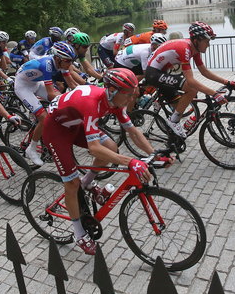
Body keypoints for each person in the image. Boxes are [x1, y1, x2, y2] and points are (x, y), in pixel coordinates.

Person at [42, 68, 162, 255]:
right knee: (71, 184)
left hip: (75, 124)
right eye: (128, 94)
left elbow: (133, 132)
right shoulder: (93, 103)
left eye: (133, 93)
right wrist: (131, 161)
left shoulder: (116, 101)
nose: (132, 99)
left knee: (112, 147)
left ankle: (87, 183)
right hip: (56, 130)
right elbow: (94, 149)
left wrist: (155, 154)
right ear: (112, 90)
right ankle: (80, 233)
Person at [145, 21, 235, 138]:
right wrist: (214, 94)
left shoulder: (194, 49)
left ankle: (172, 136)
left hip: (162, 72)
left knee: (179, 105)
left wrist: (226, 81)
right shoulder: (185, 49)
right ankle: (173, 122)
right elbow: (191, 81)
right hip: (154, 73)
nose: (208, 45)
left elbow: (204, 72)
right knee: (192, 89)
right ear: (196, 40)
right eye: (207, 41)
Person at [14, 42, 80, 165]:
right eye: (68, 61)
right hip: (23, 86)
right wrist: (70, 98)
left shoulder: (62, 64)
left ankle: (52, 132)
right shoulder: (47, 64)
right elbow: (50, 94)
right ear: (58, 58)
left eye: (71, 61)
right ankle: (31, 149)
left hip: (36, 83)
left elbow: (72, 84)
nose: (70, 64)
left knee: (62, 102)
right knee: (44, 118)